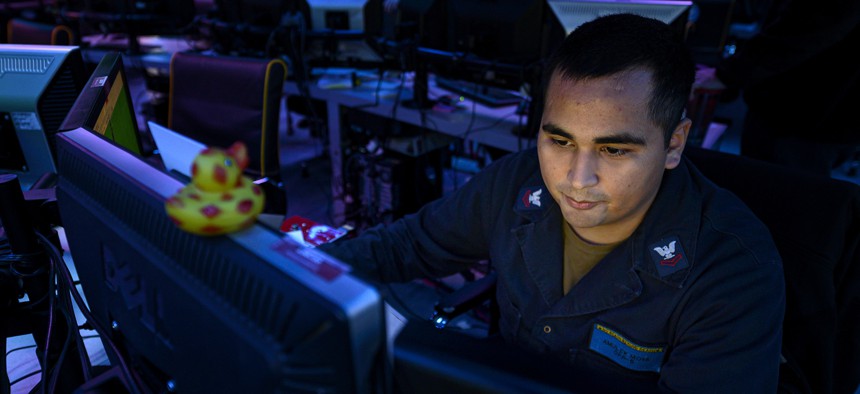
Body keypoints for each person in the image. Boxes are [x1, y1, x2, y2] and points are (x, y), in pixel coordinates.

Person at [320, 13, 785, 392]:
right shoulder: (514, 183)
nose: (576, 180)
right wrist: (292, 266)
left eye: (615, 150)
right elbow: (405, 246)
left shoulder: (733, 273)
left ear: (675, 143)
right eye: (559, 140)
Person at [697, 0, 860, 177]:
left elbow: (806, 27)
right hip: (822, 113)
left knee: (776, 194)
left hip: (800, 114)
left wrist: (727, 74)